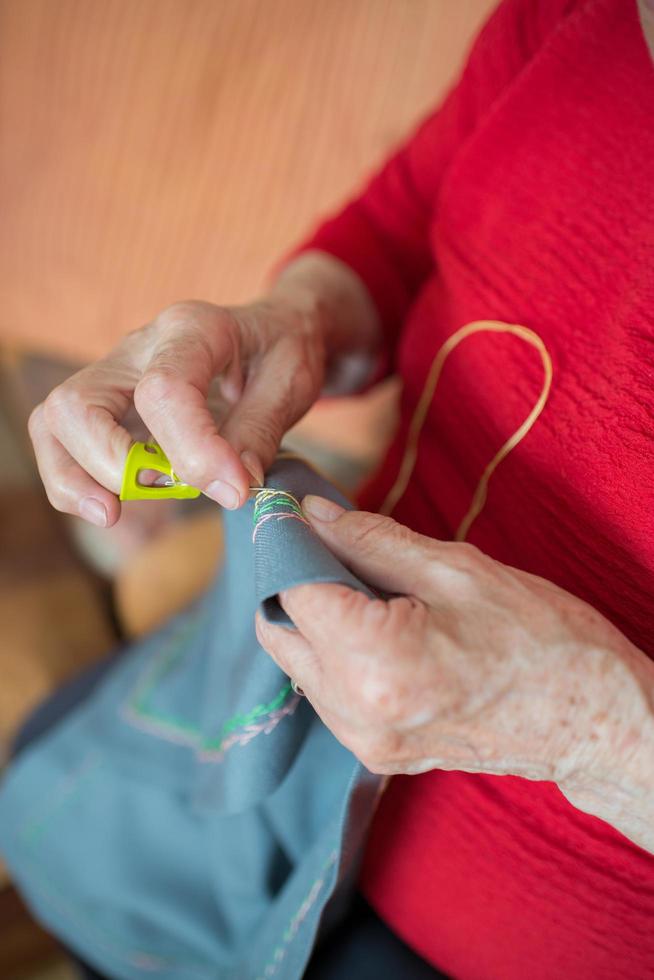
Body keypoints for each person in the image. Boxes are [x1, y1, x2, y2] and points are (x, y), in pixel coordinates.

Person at [26, 0, 654, 976]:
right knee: (46, 783)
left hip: (474, 945)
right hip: (279, 798)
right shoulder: (582, 19)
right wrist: (298, 319)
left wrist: (594, 727)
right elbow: (402, 229)